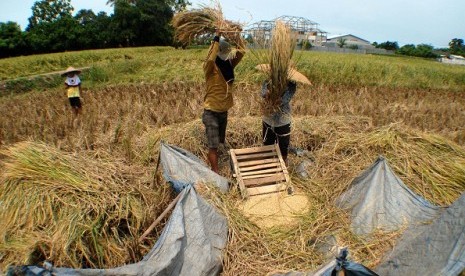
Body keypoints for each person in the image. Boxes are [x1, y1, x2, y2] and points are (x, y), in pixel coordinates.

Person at [202, 31, 245, 173]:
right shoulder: (210, 67)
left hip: (223, 111)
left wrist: (236, 35)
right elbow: (209, 59)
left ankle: (215, 166)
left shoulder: (229, 65)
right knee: (213, 145)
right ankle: (215, 173)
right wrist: (216, 37)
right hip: (211, 112)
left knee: (220, 142)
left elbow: (242, 52)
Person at [258, 65, 311, 164]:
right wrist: (267, 94)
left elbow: (285, 99)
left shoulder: (291, 84)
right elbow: (262, 93)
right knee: (267, 143)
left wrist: (276, 99)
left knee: (283, 145)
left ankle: (283, 164)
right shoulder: (269, 80)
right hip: (268, 118)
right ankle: (267, 164)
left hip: (283, 119)